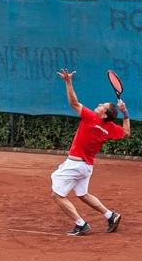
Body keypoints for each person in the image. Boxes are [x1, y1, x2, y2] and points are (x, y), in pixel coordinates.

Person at [51, 68, 131, 236]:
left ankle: (81, 224)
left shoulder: (91, 117)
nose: (99, 105)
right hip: (86, 166)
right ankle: (111, 215)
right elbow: (126, 132)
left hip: (76, 164)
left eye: (103, 106)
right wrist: (124, 112)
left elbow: (73, 103)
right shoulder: (110, 128)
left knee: (57, 195)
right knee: (83, 194)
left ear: (103, 115)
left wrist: (68, 82)